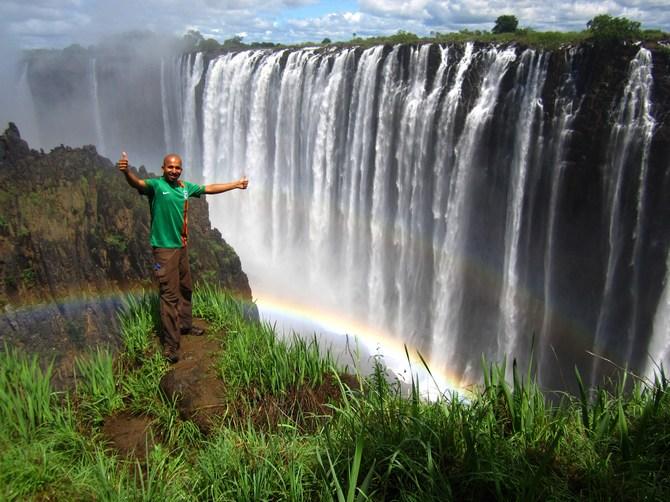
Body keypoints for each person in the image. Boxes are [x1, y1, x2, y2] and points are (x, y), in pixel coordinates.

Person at [117, 151, 248, 363]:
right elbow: (138, 184)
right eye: (170, 167)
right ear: (163, 168)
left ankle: (185, 325)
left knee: (186, 287)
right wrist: (126, 172)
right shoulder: (156, 186)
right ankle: (171, 346)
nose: (174, 171)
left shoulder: (185, 188)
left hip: (181, 247)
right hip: (164, 249)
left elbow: (209, 189)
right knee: (169, 296)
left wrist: (235, 184)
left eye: (177, 167)